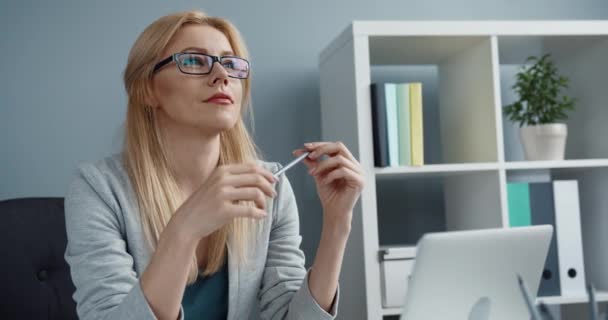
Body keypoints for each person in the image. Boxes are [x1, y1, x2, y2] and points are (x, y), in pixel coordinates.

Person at [64, 9, 364, 320]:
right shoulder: (97, 190)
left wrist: (337, 223)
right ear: (147, 89)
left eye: (231, 64)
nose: (222, 76)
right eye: (194, 61)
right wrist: (185, 228)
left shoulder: (270, 185)